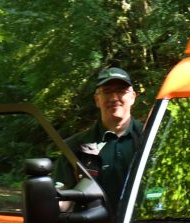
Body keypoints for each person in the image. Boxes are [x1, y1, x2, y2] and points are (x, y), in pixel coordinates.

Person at [55, 67, 143, 209]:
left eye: (121, 91)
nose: (114, 98)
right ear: (97, 99)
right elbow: (62, 199)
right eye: (107, 92)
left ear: (132, 97)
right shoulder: (75, 147)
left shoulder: (153, 140)